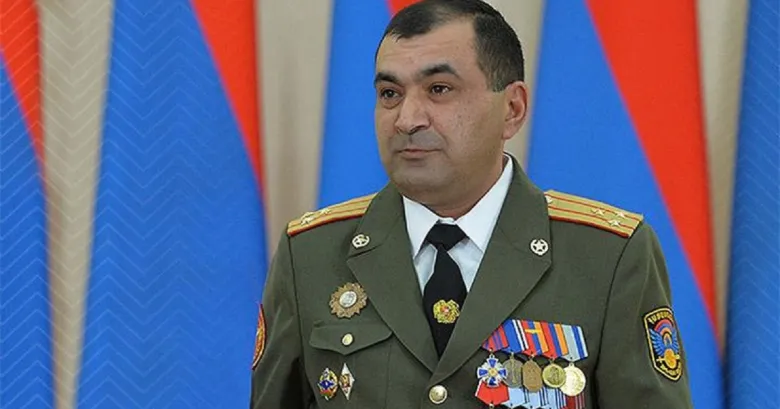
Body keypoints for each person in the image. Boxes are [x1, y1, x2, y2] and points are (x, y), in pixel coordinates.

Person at [250, 0, 693, 408]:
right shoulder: (310, 255)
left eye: (439, 89)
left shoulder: (608, 257)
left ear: (512, 109)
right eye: (390, 93)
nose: (407, 119)